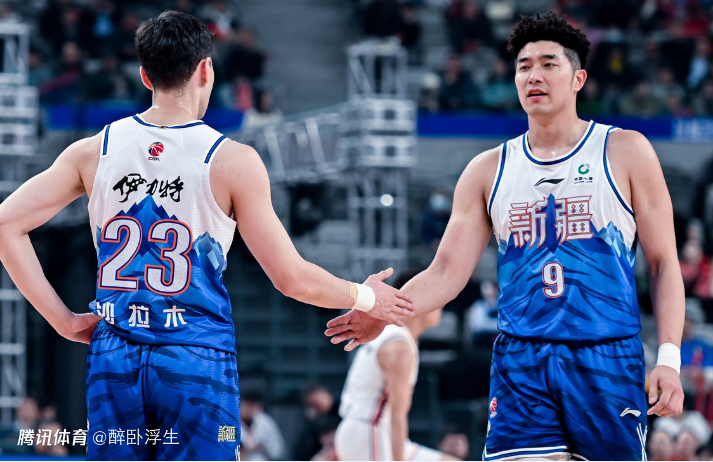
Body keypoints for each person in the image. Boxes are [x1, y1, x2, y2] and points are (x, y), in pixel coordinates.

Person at [0, 10, 414, 461]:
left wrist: (63, 320)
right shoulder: (232, 160)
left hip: (115, 354)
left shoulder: (93, 150)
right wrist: (365, 296)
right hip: (194, 356)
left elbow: (5, 224)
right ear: (206, 70)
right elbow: (292, 279)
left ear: (145, 75)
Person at [326, 12, 685, 460]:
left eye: (549, 64)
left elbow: (663, 264)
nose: (534, 75)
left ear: (578, 78)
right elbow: (445, 272)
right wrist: (384, 310)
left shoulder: (626, 151)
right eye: (524, 66)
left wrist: (669, 359)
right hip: (522, 360)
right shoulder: (487, 169)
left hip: (604, 355)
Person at [334, 299, 456, 461]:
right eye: (438, 301)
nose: (442, 306)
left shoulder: (394, 334)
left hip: (366, 430)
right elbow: (397, 416)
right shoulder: (399, 346)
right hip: (370, 431)